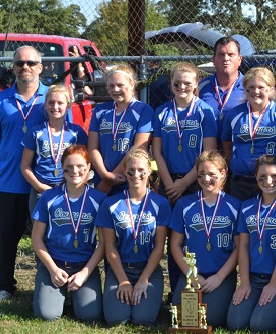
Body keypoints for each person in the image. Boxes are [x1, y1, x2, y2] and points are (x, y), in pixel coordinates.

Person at [0, 46, 48, 302]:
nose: (25, 68)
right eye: (20, 63)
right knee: (6, 239)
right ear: (13, 67)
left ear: (41, 67)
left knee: (46, 239)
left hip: (44, 184)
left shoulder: (52, 98)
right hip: (10, 181)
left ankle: (47, 287)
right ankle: (2, 287)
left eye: (31, 63)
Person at [152, 62, 218, 292]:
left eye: (187, 83)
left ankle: (199, 286)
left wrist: (184, 183)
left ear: (196, 84)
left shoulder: (205, 112)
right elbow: (157, 152)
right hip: (169, 184)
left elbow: (207, 154)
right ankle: (177, 291)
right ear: (170, 83)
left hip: (196, 183)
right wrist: (170, 184)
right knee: (173, 239)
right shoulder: (161, 112)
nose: (182, 87)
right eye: (177, 83)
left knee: (196, 236)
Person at [30, 145, 107, 321]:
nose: (75, 171)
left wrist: (85, 273)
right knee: (47, 315)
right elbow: (36, 238)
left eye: (81, 166)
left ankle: (73, 295)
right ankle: (59, 294)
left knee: (90, 315)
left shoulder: (99, 199)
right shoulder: (49, 197)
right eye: (69, 167)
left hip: (83, 266)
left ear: (89, 168)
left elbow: (103, 243)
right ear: (62, 169)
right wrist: (52, 269)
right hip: (55, 264)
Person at [96, 147, 171, 326]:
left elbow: (159, 246)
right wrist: (123, 280)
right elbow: (110, 246)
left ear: (149, 171)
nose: (135, 175)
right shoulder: (110, 204)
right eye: (130, 171)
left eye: (141, 171)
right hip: (120, 269)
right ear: (125, 170)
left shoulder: (161, 204)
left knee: (143, 320)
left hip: (149, 270)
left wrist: (144, 279)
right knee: (116, 319)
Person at [169, 150, 242, 328]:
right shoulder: (184, 204)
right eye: (201, 174)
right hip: (192, 274)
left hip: (220, 275)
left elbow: (239, 248)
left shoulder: (235, 205)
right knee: (186, 319)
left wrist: (219, 276)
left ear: (223, 174)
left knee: (212, 320)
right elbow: (175, 244)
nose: (206, 179)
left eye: (211, 174)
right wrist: (190, 274)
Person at [227, 155, 276, 333]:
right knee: (235, 323)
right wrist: (244, 282)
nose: (268, 181)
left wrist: (274, 284)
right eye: (262, 177)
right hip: (253, 278)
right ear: (256, 178)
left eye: (274, 176)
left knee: (260, 325)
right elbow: (243, 246)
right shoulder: (247, 206)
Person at [221, 67, 276, 201]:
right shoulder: (234, 115)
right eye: (251, 88)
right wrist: (237, 165)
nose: (256, 91)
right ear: (245, 90)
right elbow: (227, 145)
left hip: (272, 182)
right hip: (240, 182)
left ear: (271, 89)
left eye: (261, 87)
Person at [21, 84, 88, 215]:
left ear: (68, 106)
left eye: (60, 103)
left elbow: (86, 164)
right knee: (39, 230)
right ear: (45, 105)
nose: (55, 107)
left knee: (67, 227)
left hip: (70, 188)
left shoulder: (76, 132)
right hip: (41, 190)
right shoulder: (36, 132)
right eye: (51, 102)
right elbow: (25, 166)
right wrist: (39, 187)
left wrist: (78, 183)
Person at [88, 65, 153, 195]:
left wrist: (111, 178)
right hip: (101, 179)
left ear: (132, 84)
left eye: (120, 85)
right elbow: (92, 147)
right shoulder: (100, 111)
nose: (115, 89)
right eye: (111, 86)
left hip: (129, 180)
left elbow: (140, 147)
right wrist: (105, 176)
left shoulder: (143, 110)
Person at [198, 37, 245, 140]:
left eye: (231, 54)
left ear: (239, 59)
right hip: (206, 150)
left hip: (238, 150)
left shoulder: (250, 87)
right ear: (213, 59)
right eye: (221, 54)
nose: (226, 58)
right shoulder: (200, 87)